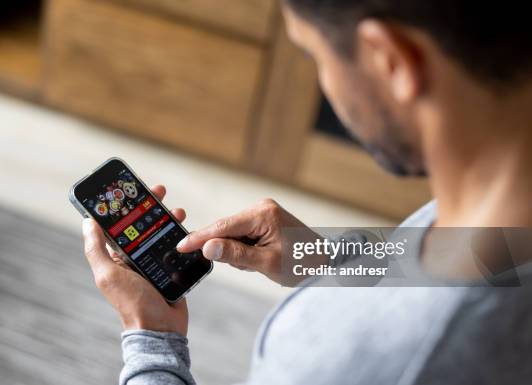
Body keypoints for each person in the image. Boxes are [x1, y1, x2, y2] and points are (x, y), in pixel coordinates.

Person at [81, 0, 532, 383]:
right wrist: (332, 263)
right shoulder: (503, 200)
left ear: (389, 59)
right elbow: (492, 254)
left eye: (312, 54)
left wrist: (152, 339)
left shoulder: (346, 363)